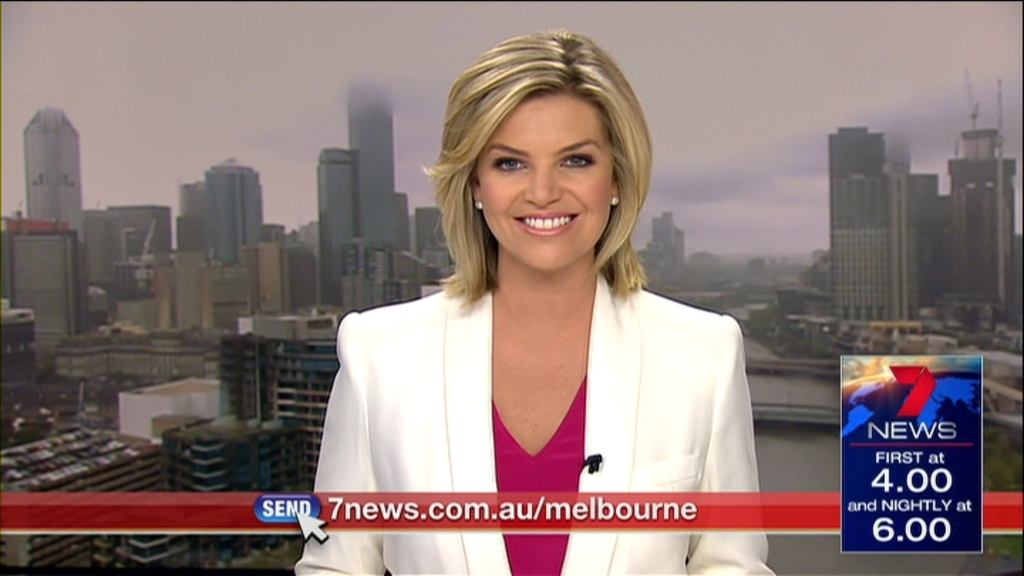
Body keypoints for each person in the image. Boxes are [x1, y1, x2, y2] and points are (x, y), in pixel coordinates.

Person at [295, 28, 772, 576]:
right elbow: (334, 566)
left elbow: (731, 565)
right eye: (510, 163)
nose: (543, 192)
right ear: (475, 184)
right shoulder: (379, 355)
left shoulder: (704, 354)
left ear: (617, 177)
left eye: (576, 161)